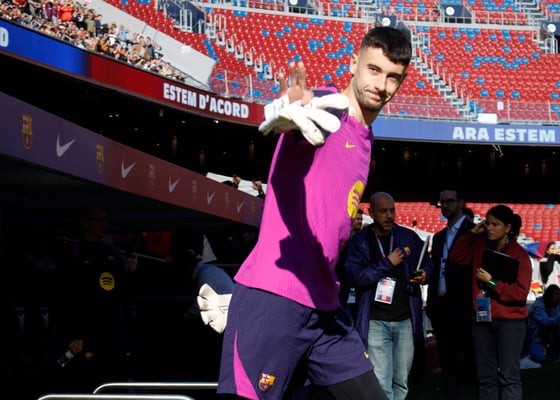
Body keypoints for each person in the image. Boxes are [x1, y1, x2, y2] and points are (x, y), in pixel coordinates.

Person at [217, 26, 412, 400]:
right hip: (276, 297)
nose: (381, 85)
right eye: (373, 69)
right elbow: (297, 116)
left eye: (393, 77)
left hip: (325, 308)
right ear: (353, 64)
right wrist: (289, 111)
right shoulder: (324, 108)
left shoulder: (366, 140)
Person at [344, 192, 432, 400]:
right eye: (383, 211)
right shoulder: (360, 242)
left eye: (392, 210)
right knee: (382, 381)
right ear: (371, 213)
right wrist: (387, 263)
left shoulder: (408, 237)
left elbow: (428, 263)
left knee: (401, 381)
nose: (389, 215)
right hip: (375, 320)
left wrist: (424, 274)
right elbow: (356, 277)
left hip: (406, 320)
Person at [447, 204, 532, 400]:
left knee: (509, 377)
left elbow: (520, 294)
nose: (489, 228)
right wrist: (471, 234)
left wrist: (492, 283)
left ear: (508, 227)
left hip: (510, 323)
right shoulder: (479, 246)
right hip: (482, 321)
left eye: (495, 224)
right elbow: (456, 257)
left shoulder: (519, 255)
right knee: (485, 378)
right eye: (487, 223)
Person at [56, 206, 137, 393]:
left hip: (114, 332)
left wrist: (132, 273)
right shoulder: (75, 253)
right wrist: (73, 334)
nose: (104, 225)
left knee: (119, 381)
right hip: (87, 335)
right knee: (90, 383)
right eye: (99, 220)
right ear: (84, 223)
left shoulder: (113, 254)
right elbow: (67, 297)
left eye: (106, 220)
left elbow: (124, 294)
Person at [426, 185, 476, 399]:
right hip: (441, 306)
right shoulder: (438, 238)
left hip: (464, 307)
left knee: (468, 361)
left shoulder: (474, 233)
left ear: (461, 203)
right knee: (447, 363)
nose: (445, 206)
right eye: (442, 202)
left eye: (450, 201)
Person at [521, 284, 560, 368]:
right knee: (539, 358)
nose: (558, 296)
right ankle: (525, 357)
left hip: (545, 336)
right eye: (555, 294)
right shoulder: (538, 305)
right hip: (532, 337)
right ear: (549, 295)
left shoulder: (556, 305)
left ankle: (553, 354)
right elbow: (546, 322)